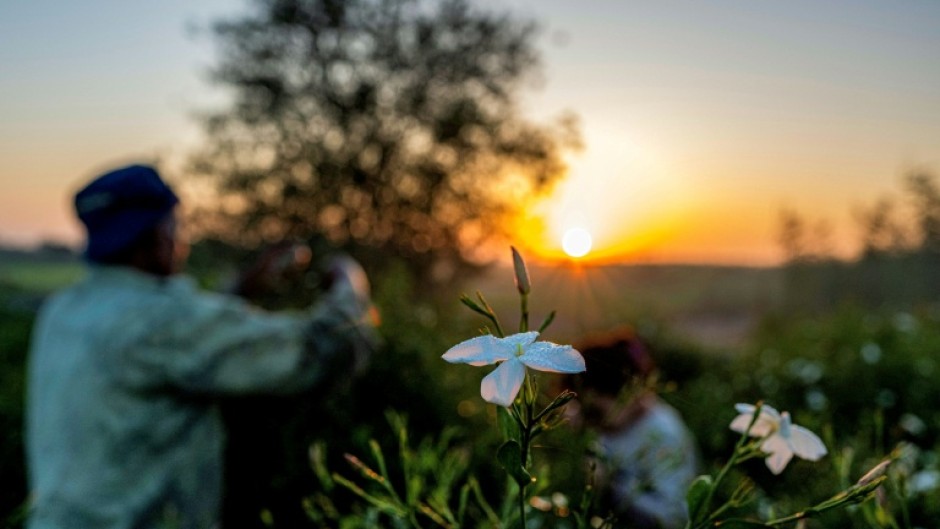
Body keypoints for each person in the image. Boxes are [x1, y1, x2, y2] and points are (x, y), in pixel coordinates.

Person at [24, 163, 378, 529]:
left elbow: (166, 342)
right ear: (155, 236)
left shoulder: (63, 310)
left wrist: (244, 286)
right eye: (176, 227)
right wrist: (351, 288)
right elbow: (320, 351)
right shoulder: (166, 322)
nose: (181, 241)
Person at [569, 326, 699, 529]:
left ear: (631, 392)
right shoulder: (606, 422)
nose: (598, 424)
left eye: (597, 411)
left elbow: (675, 516)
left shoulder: (664, 434)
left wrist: (612, 484)